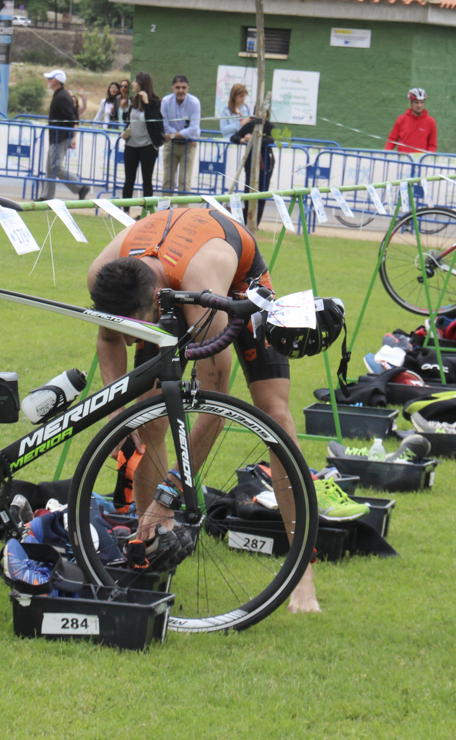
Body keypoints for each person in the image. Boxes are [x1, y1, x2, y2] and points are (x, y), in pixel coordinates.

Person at [86, 208, 321, 614]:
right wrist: (117, 417)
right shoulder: (103, 275)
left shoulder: (200, 285)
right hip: (162, 288)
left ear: (155, 304)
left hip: (232, 287)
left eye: (134, 331)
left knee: (276, 416)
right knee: (147, 417)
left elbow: (215, 407)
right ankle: (153, 547)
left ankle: (302, 576)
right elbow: (108, 339)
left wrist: (171, 491)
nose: (128, 341)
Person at [38, 69, 90, 202]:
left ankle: (80, 187)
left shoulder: (61, 96)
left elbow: (73, 117)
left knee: (55, 166)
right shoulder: (61, 95)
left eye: (50, 79)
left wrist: (73, 137)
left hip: (60, 136)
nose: (48, 81)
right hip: (57, 135)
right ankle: (47, 196)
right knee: (50, 166)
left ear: (55, 81)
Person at [120, 71, 164, 212]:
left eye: (135, 82)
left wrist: (147, 103)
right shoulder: (133, 100)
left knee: (147, 180)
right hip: (131, 145)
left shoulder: (155, 102)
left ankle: (146, 212)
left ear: (142, 84)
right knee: (129, 180)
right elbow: (130, 121)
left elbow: (153, 122)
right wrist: (126, 131)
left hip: (148, 147)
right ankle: (125, 211)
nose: (132, 84)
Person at [229, 102, 275, 226]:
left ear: (267, 113)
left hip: (265, 164)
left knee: (262, 192)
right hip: (250, 163)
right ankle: (245, 223)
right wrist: (243, 139)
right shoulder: (250, 125)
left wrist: (256, 139)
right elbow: (234, 137)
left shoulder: (270, 127)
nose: (261, 114)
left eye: (264, 111)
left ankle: (256, 224)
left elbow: (271, 139)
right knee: (248, 192)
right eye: (258, 111)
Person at [160, 75, 201, 195]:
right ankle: (165, 212)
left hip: (189, 145)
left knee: (184, 181)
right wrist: (180, 135)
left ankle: (183, 212)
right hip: (170, 145)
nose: (180, 90)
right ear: (172, 88)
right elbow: (164, 125)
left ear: (188, 88)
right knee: (168, 181)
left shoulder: (194, 102)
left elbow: (193, 129)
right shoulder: (166, 101)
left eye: (183, 87)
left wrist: (173, 135)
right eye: (177, 87)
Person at [384, 88, 436, 154]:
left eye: (421, 102)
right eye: (416, 102)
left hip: (421, 161)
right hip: (403, 160)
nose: (419, 105)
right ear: (411, 103)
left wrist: (428, 158)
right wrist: (385, 153)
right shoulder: (402, 119)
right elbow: (392, 140)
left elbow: (432, 145)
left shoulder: (430, 121)